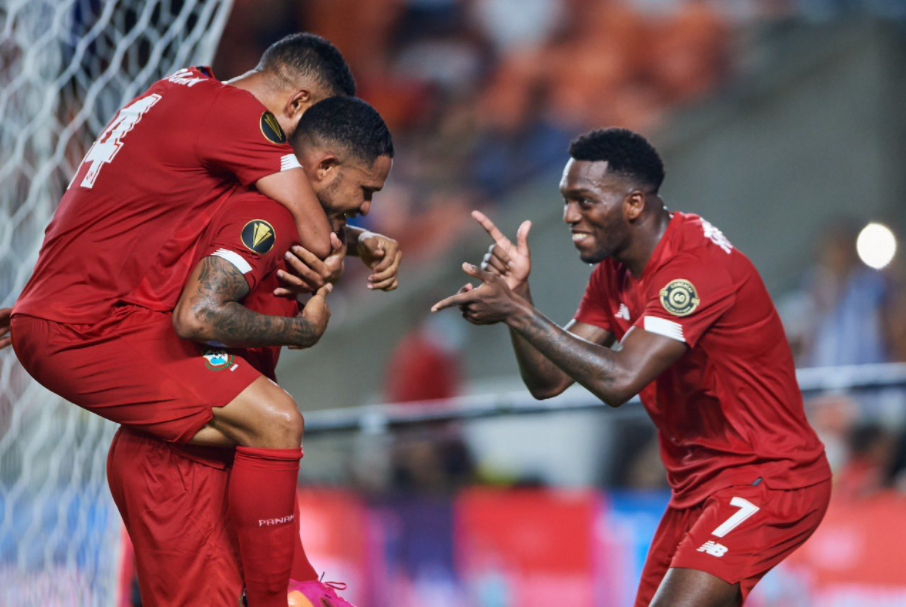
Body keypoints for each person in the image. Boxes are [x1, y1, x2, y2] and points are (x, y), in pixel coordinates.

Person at [8, 34, 401, 607]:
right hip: (94, 329)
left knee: (267, 431)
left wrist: (357, 241)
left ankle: (289, 589)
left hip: (88, 317)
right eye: (305, 132)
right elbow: (312, 242)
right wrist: (319, 298)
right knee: (276, 421)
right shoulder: (241, 122)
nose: (295, 152)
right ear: (296, 105)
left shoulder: (183, 93)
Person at [433, 128, 832, 606]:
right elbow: (549, 380)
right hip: (696, 490)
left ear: (634, 204)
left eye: (584, 201)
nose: (569, 216)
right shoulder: (615, 272)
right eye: (566, 200)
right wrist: (520, 299)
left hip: (769, 480)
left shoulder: (694, 268)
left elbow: (619, 379)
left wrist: (518, 313)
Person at [106, 96, 393, 606]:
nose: (367, 206)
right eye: (365, 191)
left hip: (232, 448)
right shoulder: (262, 216)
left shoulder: (295, 219)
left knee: (306, 596)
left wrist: (362, 241)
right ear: (325, 166)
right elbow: (198, 314)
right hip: (178, 459)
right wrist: (303, 330)